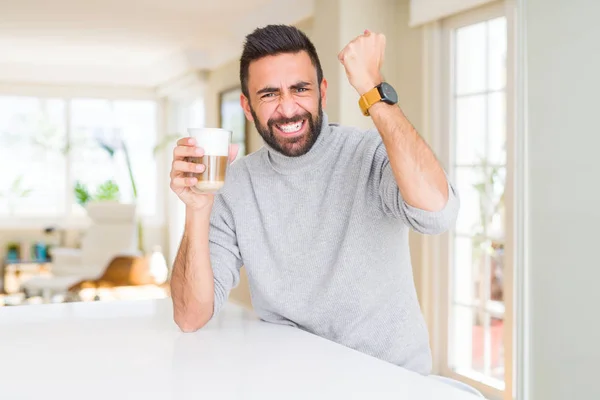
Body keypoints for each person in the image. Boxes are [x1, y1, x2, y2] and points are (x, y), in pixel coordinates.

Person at [169, 24, 459, 375]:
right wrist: (197, 210)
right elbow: (190, 316)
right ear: (248, 107)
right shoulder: (235, 186)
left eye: (300, 89)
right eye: (269, 94)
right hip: (294, 380)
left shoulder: (370, 154)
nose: (288, 108)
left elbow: (437, 213)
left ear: (322, 91)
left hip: (389, 379)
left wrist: (371, 87)